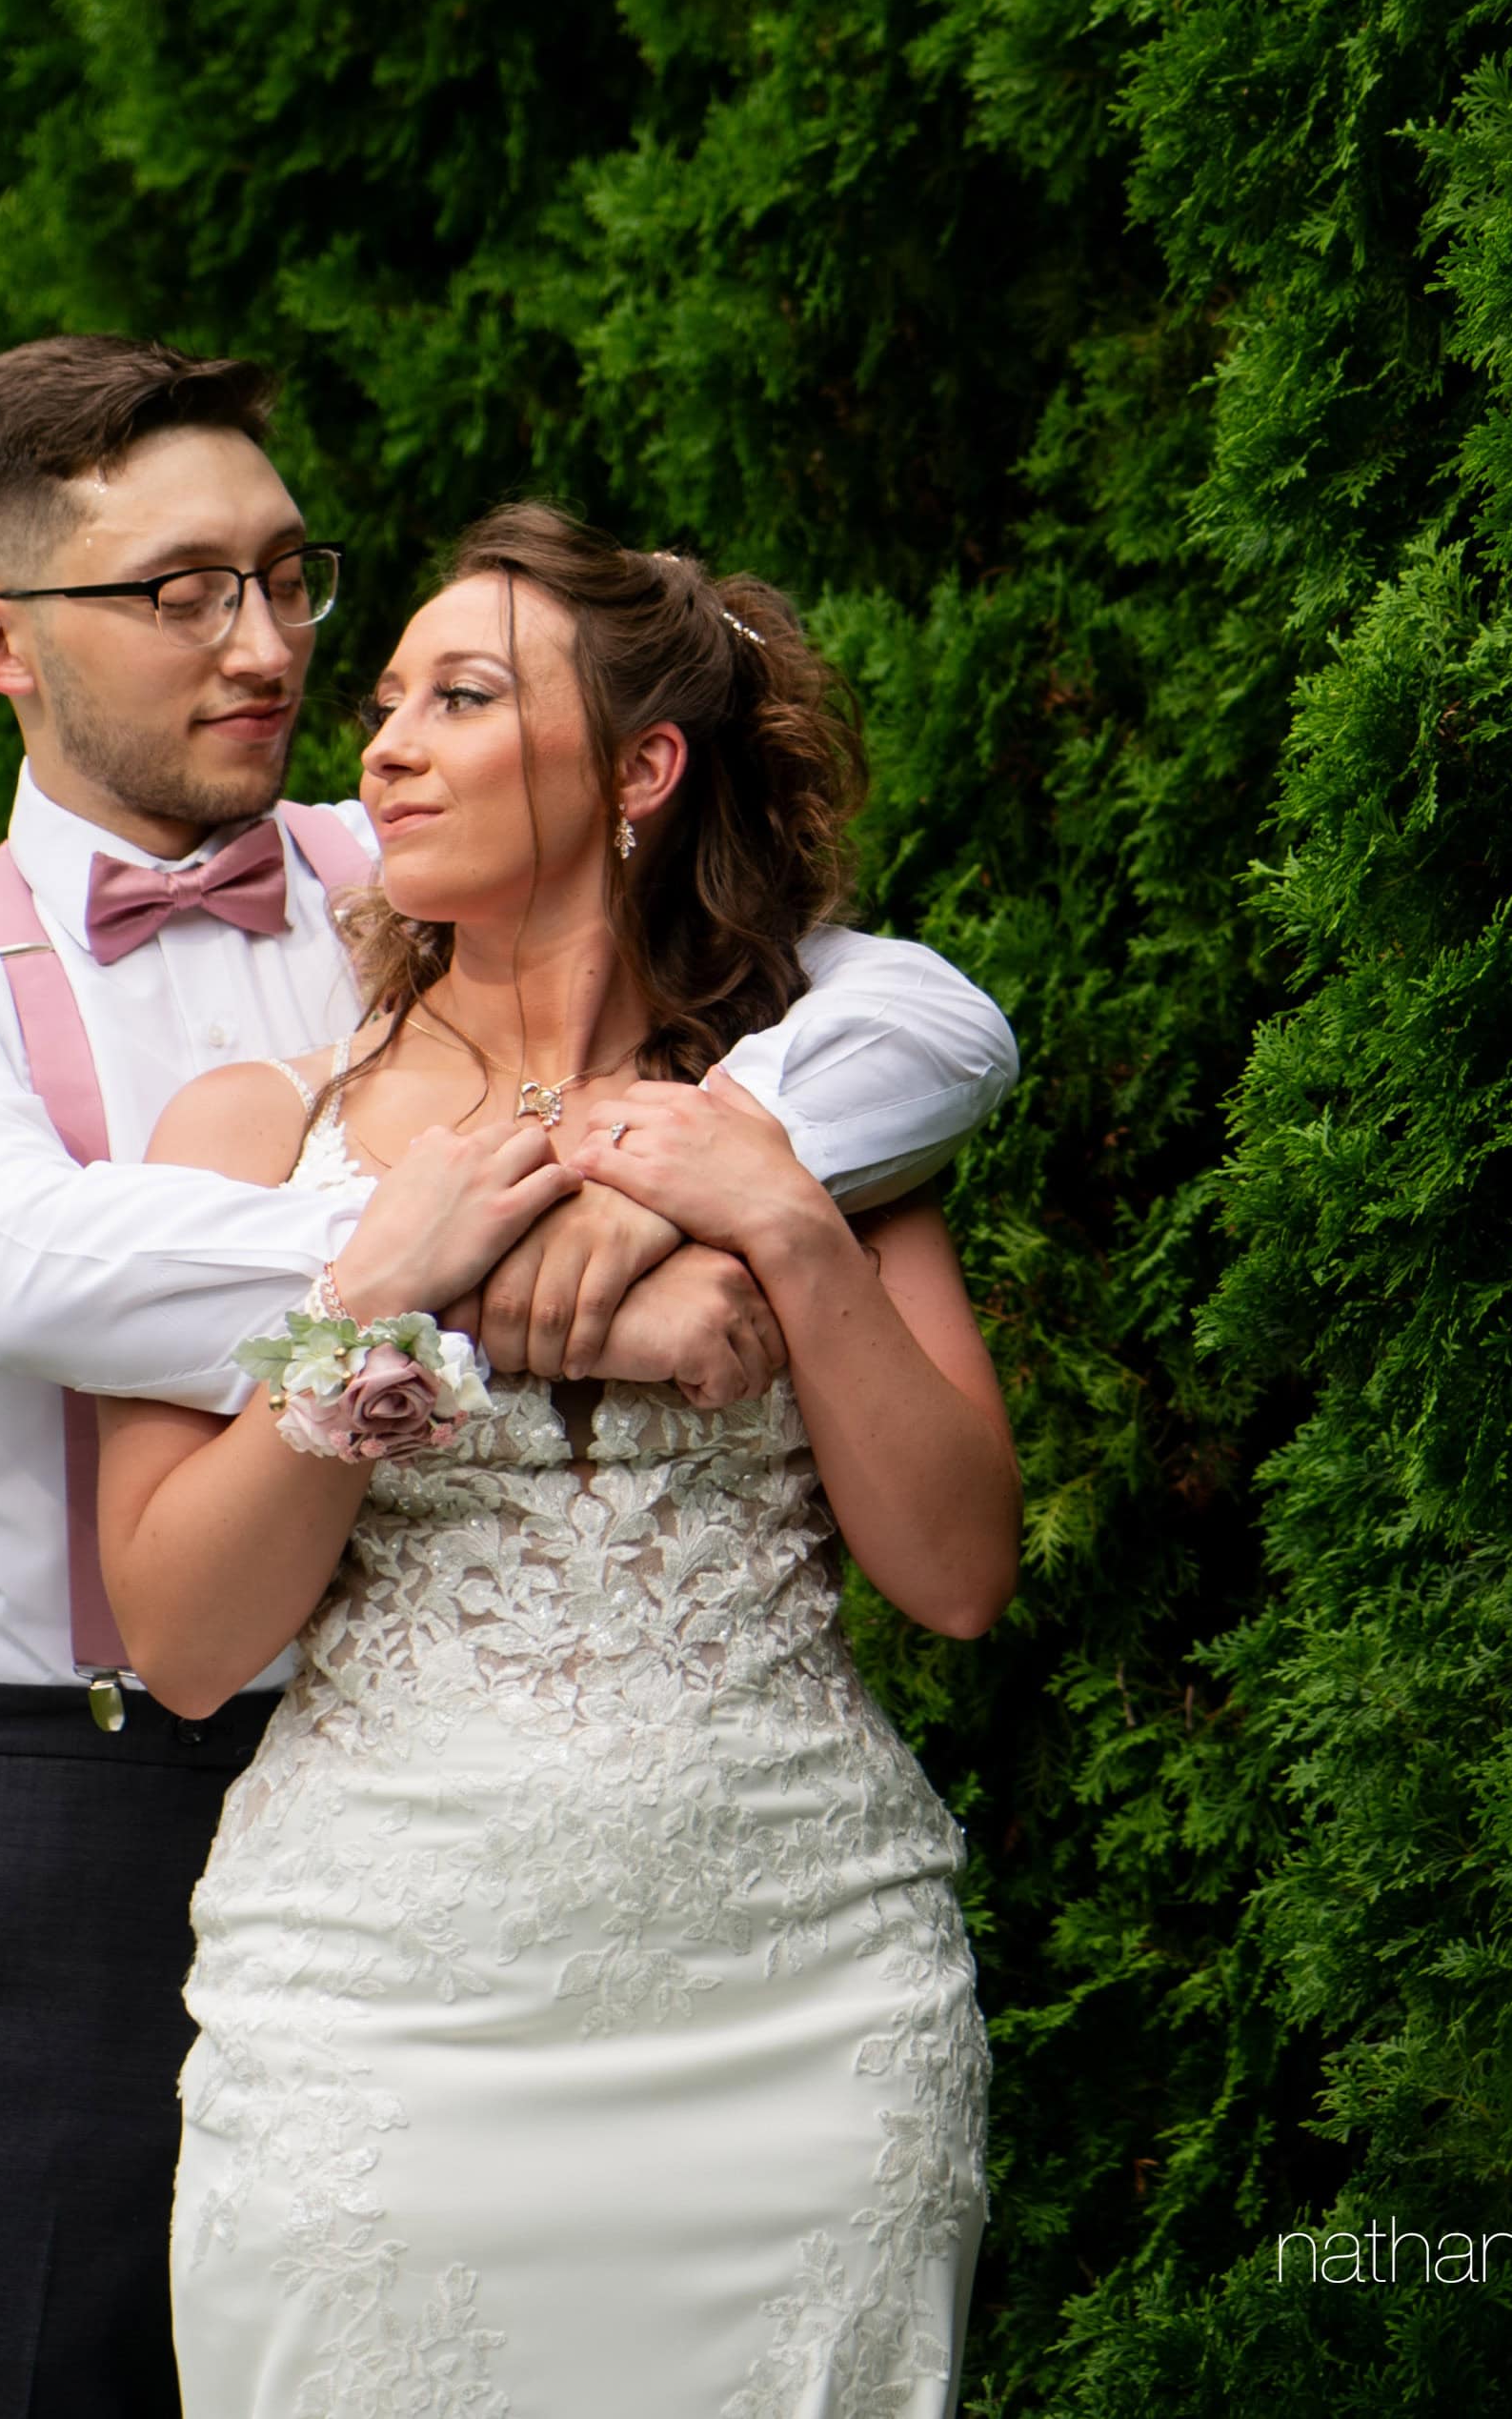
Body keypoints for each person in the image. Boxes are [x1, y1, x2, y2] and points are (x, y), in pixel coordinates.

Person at [0, 342, 1018, 2419]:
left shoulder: (421, 844)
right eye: (180, 592)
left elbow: (933, 1023)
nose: (263, 648)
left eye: (285, 578)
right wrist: (551, 1282)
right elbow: (32, 1272)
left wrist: (740, 1195)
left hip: (739, 1916)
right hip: (97, 1799)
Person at [95, 503, 1015, 2417]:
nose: (386, 745)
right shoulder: (255, 1134)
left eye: (462, 695)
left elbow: (953, 1571)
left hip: (804, 2004)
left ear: (639, 771)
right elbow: (183, 1640)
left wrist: (785, 1227)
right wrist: (381, 1300)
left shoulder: (815, 1118)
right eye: (387, 702)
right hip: (382, 2024)